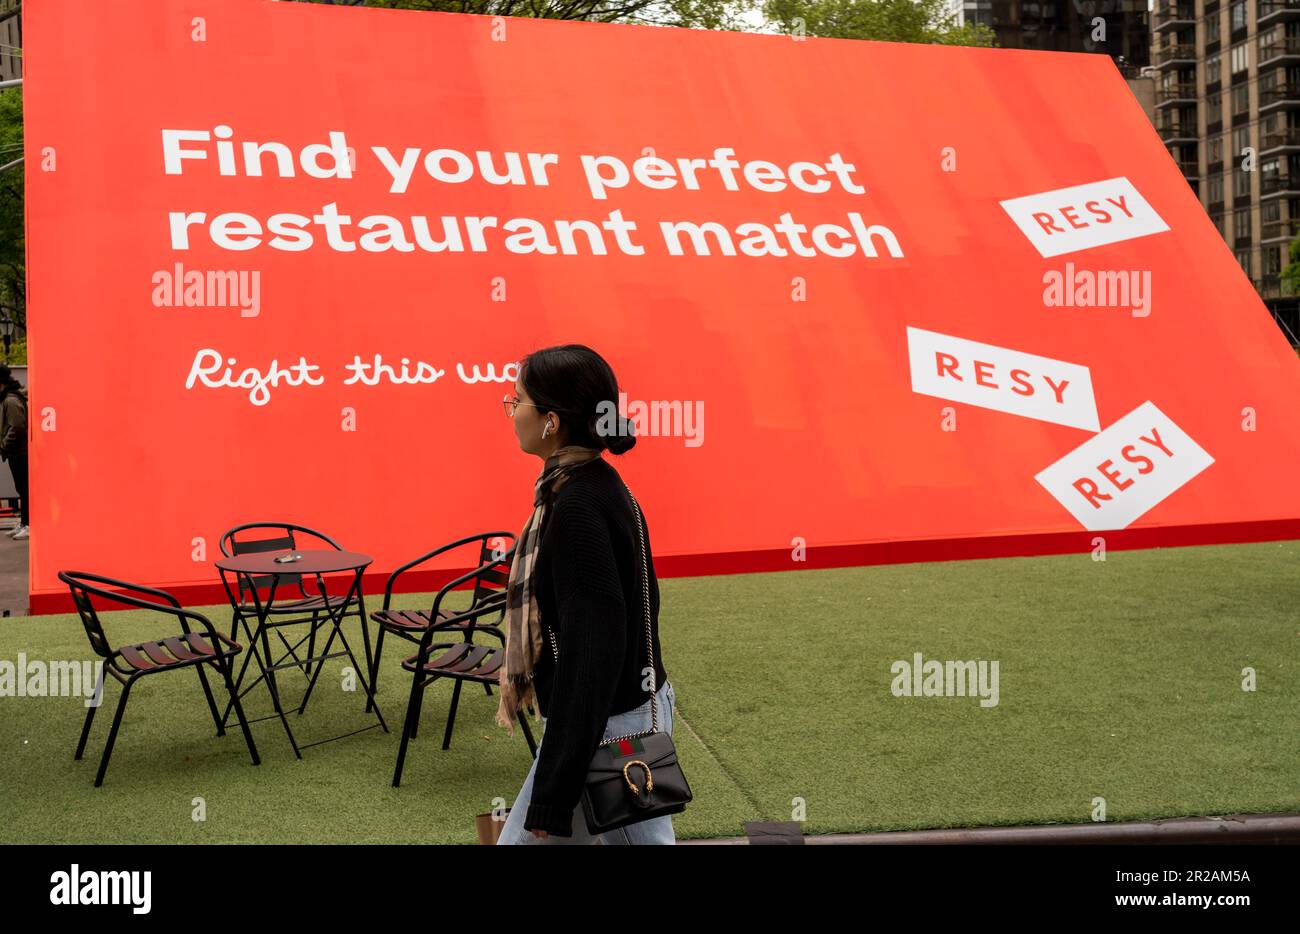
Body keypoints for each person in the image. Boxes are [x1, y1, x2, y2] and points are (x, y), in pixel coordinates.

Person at [494, 344, 676, 845]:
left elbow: (592, 651)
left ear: (551, 420)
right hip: (615, 713)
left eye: (517, 401)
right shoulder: (590, 486)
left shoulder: (576, 506)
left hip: (611, 726)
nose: (511, 412)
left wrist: (553, 790)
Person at [0, 365, 27, 541]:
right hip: (17, 451)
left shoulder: (10, 400)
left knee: (24, 488)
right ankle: (25, 522)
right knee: (22, 488)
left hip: (19, 452)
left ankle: (28, 524)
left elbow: (17, 426)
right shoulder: (10, 397)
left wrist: (5, 444)